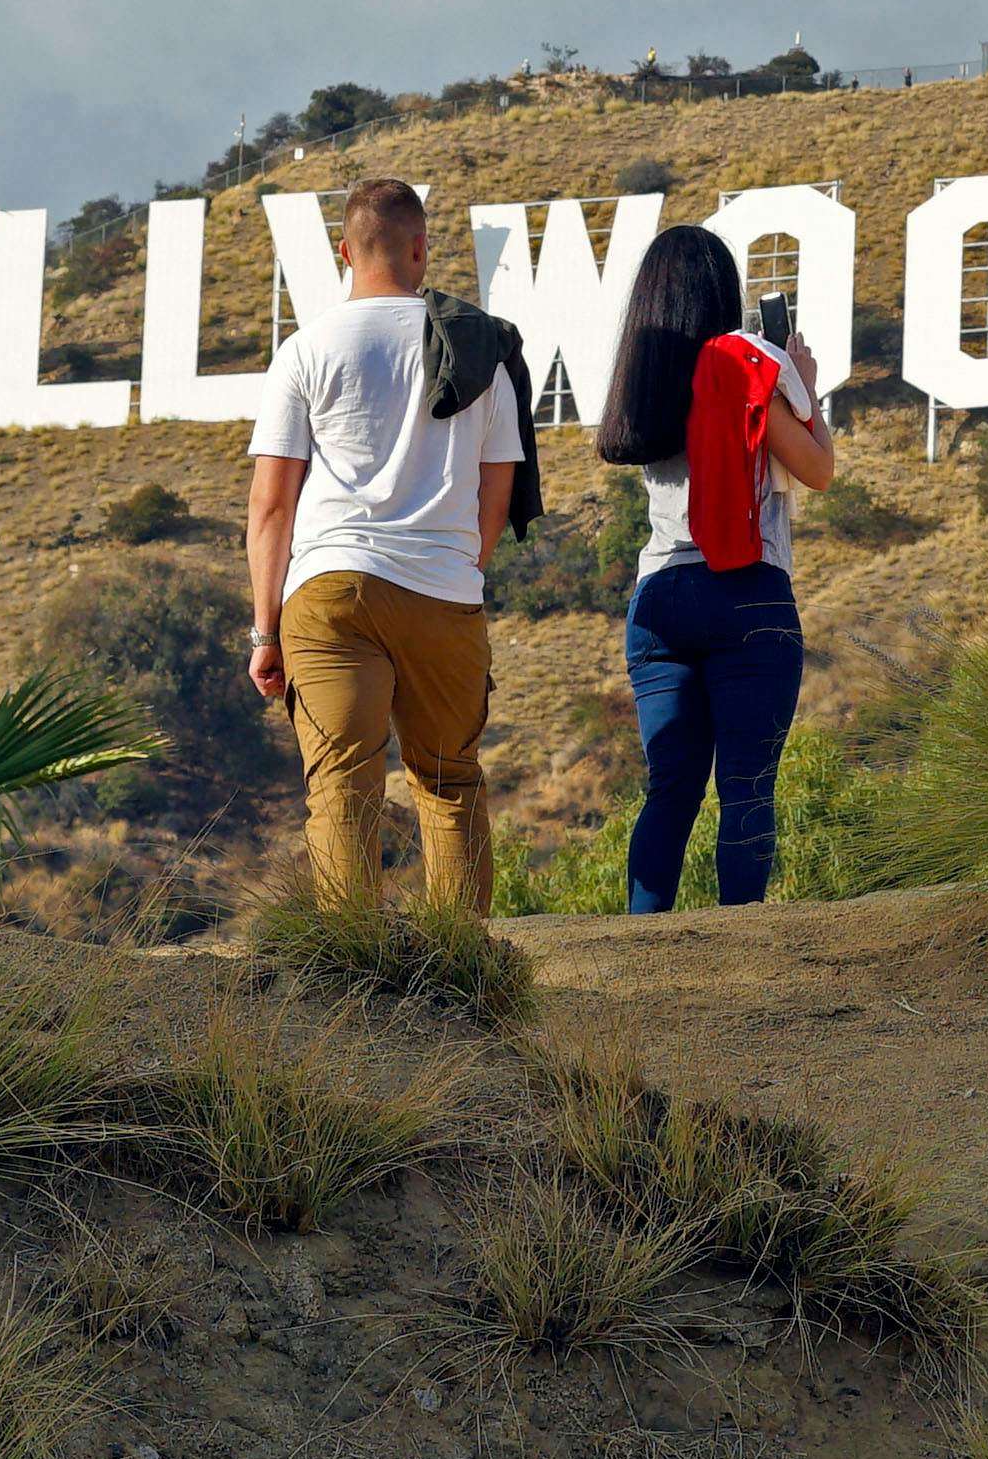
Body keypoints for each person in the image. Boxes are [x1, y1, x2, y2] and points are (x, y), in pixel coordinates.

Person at [243, 178, 526, 915]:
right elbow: (495, 495)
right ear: (420, 247)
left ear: (345, 252)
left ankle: (352, 979)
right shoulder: (480, 354)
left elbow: (272, 505)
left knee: (341, 784)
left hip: (331, 590)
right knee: (450, 781)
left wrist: (265, 631)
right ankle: (461, 967)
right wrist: (458, 569)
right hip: (444, 593)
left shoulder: (304, 351)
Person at [587, 224, 835, 912]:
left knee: (671, 786)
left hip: (659, 599)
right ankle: (740, 950)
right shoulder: (741, 368)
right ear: (723, 295)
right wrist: (806, 391)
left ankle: (638, 943)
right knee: (747, 785)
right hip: (746, 591)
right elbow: (818, 470)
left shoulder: (644, 377)